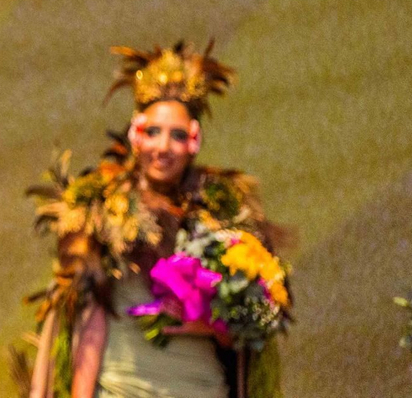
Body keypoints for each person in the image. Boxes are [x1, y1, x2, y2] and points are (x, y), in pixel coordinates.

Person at [24, 43, 285, 398]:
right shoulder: (102, 204)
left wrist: (204, 322)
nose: (163, 146)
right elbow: (90, 318)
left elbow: (245, 330)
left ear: (194, 140)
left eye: (177, 135)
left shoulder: (222, 212)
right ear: (135, 134)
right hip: (121, 387)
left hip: (200, 387)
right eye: (153, 132)